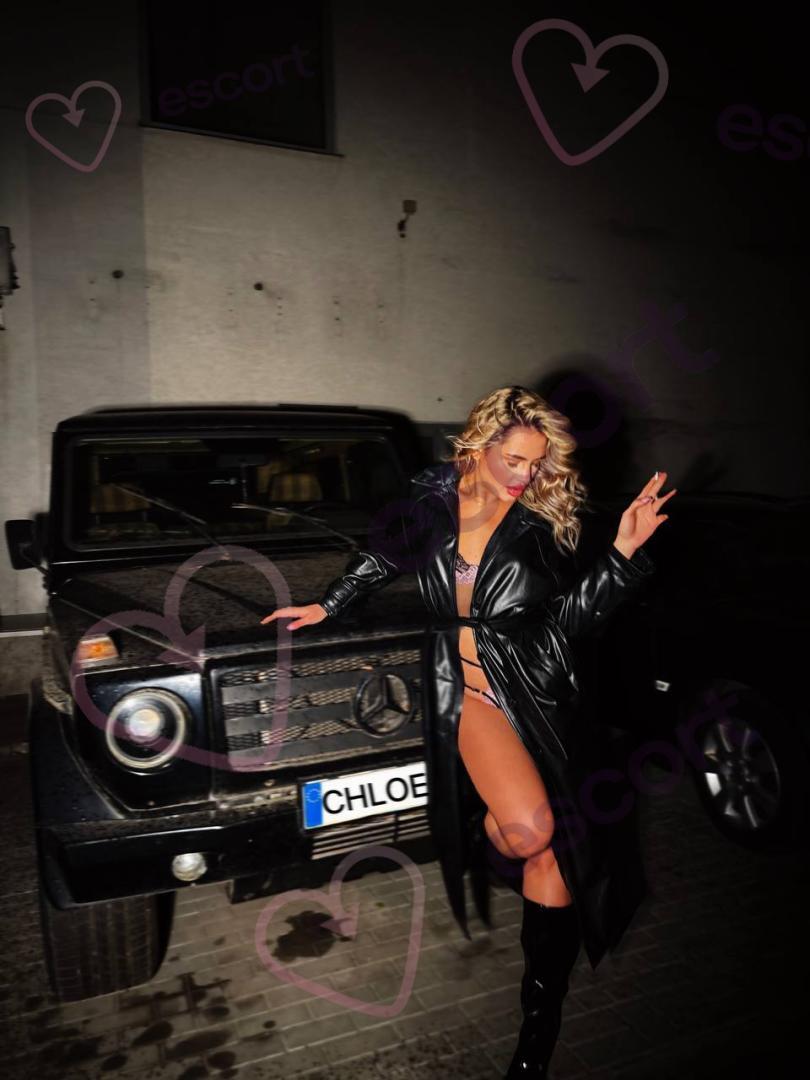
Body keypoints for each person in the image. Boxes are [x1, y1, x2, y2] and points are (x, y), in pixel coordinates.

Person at [261, 386, 676, 1077]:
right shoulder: (431, 503)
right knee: (532, 834)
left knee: (557, 856)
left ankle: (535, 1041)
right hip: (468, 689)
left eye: (536, 464)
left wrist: (623, 554)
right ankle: (490, 829)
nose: (525, 477)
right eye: (514, 460)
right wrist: (327, 604)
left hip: (541, 692)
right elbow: (384, 558)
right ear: (477, 448)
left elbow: (568, 620)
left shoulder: (543, 519)